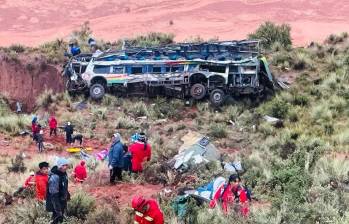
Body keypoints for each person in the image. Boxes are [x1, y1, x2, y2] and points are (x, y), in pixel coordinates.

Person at [46, 158, 70, 224]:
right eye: (63, 165)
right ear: (59, 166)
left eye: (66, 165)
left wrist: (67, 194)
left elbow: (64, 185)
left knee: (60, 219)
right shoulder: (55, 177)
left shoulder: (64, 173)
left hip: (62, 200)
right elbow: (53, 195)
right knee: (56, 219)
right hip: (56, 203)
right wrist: (58, 210)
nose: (65, 167)